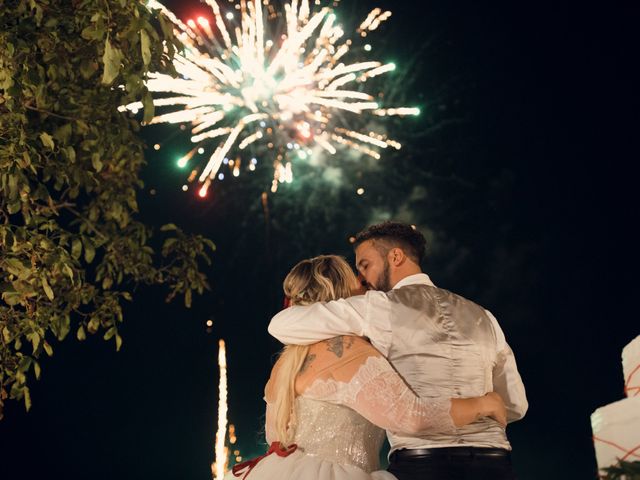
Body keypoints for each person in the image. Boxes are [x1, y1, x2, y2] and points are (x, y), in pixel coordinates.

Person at [268, 223, 528, 480]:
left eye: (365, 265)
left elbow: (281, 324)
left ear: (395, 256)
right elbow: (516, 405)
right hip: (495, 463)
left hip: (423, 463)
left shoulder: (376, 308)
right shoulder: (484, 316)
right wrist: (483, 406)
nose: (362, 279)